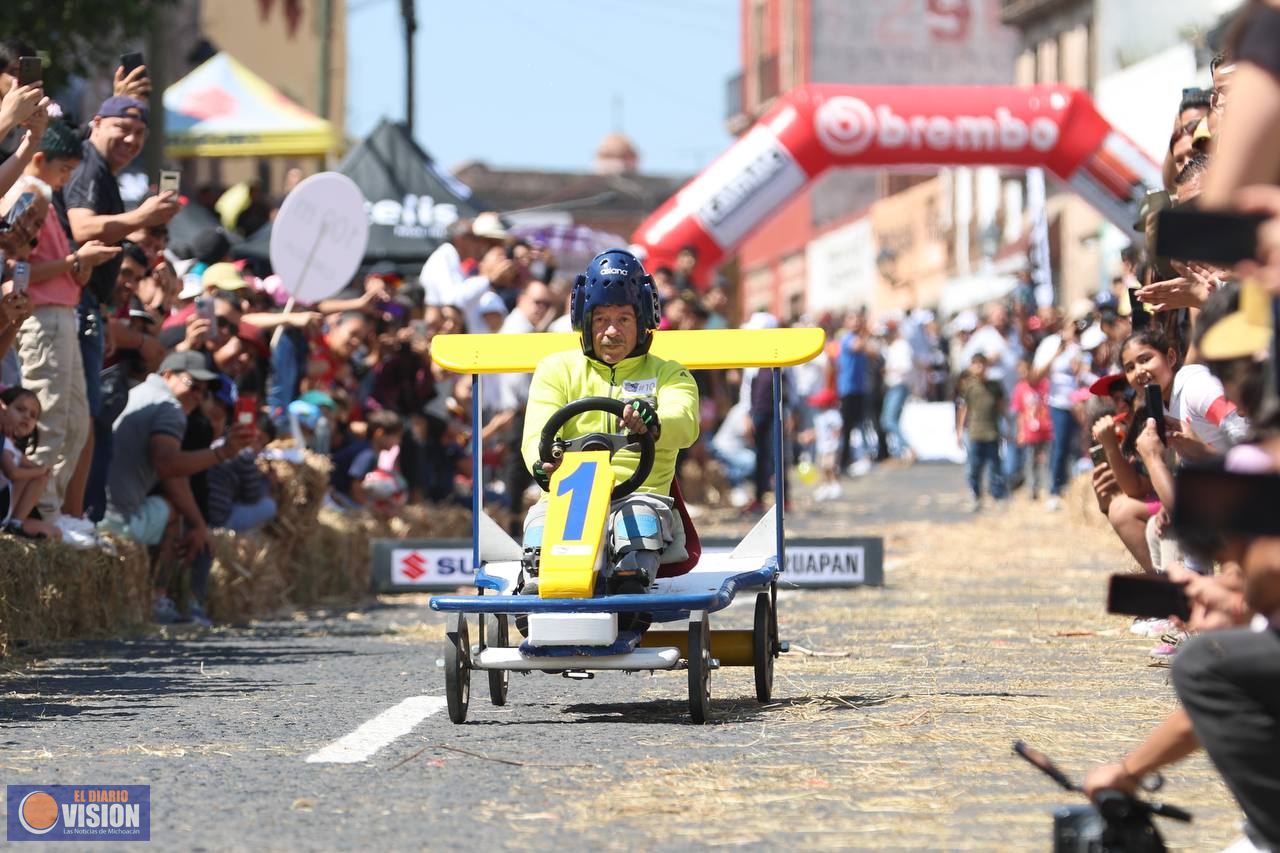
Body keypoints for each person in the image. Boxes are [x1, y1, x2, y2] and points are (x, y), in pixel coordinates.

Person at [520, 249, 699, 598]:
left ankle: (632, 590)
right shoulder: (556, 370)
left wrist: (654, 422)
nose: (611, 331)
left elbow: (687, 423)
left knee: (638, 525)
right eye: (601, 319)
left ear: (643, 320)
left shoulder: (669, 373)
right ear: (584, 322)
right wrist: (540, 465)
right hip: (567, 496)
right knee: (541, 528)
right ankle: (539, 590)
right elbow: (536, 432)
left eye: (624, 319)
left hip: (641, 494)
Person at [0, 386, 57, 540]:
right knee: (33, 476)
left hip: (6, 509)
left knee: (55, 533)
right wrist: (40, 471)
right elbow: (12, 473)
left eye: (33, 415)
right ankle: (14, 524)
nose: (26, 416)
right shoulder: (2, 442)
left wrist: (43, 470)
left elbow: (37, 469)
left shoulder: (13, 448)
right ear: (3, 409)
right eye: (20, 409)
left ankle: (15, 524)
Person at [955, 353, 1006, 512]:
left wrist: (1006, 426)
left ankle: (997, 496)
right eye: (976, 365)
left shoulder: (994, 386)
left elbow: (1001, 406)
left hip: (992, 431)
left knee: (994, 467)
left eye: (982, 365)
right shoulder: (969, 387)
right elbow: (963, 409)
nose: (979, 368)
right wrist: (959, 431)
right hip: (975, 433)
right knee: (974, 467)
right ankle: (976, 496)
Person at [1009, 356, 1052, 501]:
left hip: (1046, 429)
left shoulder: (1045, 385)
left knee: (1046, 461)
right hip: (1029, 431)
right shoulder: (1020, 388)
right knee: (1029, 462)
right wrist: (1020, 431)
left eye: (1025, 370)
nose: (1023, 374)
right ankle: (1032, 490)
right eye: (1020, 372)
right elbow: (1019, 413)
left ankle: (1047, 488)